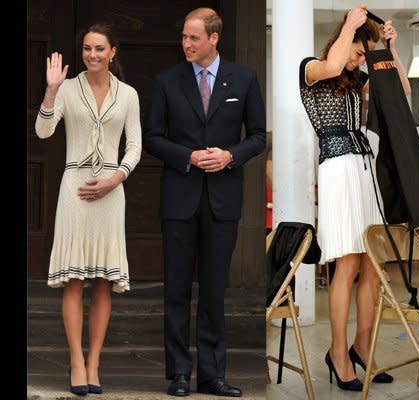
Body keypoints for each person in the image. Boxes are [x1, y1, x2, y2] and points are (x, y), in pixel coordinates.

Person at [143, 7, 266, 397]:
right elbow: (153, 137)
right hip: (179, 199)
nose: (186, 44)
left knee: (214, 291)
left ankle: (212, 375)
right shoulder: (166, 80)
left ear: (214, 38)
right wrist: (188, 156)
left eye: (193, 37)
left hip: (223, 201)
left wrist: (230, 155)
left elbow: (259, 136)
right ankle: (178, 372)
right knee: (176, 290)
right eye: (183, 37)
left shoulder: (244, 79)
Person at [298, 4, 411, 392]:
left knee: (371, 264)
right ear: (342, 40)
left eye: (364, 55)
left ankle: (362, 345)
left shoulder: (358, 79)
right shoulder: (313, 67)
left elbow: (402, 92)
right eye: (359, 52)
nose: (359, 59)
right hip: (337, 168)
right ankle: (338, 352)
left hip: (364, 167)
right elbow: (331, 66)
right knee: (346, 262)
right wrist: (351, 24)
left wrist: (390, 49)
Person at [34, 23, 142, 395]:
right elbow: (43, 132)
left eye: (99, 48)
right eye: (86, 49)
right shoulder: (66, 88)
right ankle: (76, 361)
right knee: (75, 279)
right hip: (75, 189)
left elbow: (135, 146)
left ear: (113, 51)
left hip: (112, 192)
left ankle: (94, 362)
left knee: (102, 282)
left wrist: (117, 178)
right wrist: (50, 92)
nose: (92, 55)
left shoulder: (128, 94)